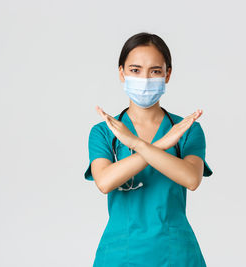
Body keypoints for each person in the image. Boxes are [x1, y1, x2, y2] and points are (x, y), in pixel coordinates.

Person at [84, 32, 213, 267]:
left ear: (168, 74)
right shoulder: (104, 132)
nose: (145, 78)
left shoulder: (186, 130)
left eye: (155, 71)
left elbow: (191, 178)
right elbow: (104, 182)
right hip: (120, 254)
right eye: (135, 70)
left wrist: (136, 144)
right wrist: (161, 145)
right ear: (121, 72)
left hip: (176, 254)